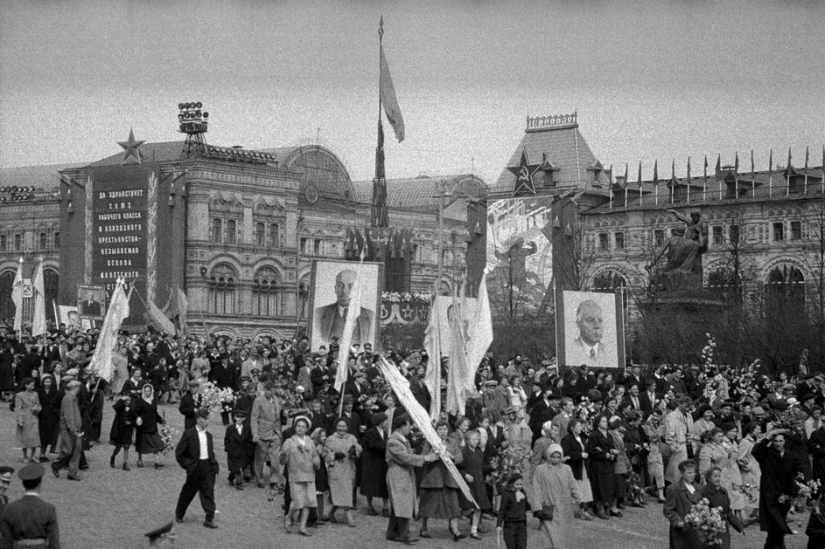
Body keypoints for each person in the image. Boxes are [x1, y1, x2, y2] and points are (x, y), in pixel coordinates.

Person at [752, 428, 809, 549]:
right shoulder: (766, 454)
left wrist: (800, 485)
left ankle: (771, 546)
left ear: (785, 442)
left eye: (780, 441)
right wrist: (767, 437)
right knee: (775, 522)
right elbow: (755, 451)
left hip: (785, 494)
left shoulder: (792, 456)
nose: (778, 443)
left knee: (778, 523)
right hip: (770, 494)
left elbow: (800, 472)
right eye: (775, 441)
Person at [385, 414, 437, 543]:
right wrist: (425, 458)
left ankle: (392, 532)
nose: (411, 427)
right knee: (402, 504)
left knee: (399, 503)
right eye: (409, 425)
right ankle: (405, 534)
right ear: (403, 426)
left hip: (403, 473)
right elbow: (404, 457)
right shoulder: (393, 441)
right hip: (398, 474)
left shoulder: (401, 439)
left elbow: (406, 456)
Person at [418, 420, 465, 541]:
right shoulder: (430, 442)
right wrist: (433, 454)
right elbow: (423, 456)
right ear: (435, 430)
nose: (443, 432)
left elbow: (460, 457)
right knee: (428, 504)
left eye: (445, 429)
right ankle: (424, 528)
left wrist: (452, 457)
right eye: (440, 429)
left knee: (453, 505)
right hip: (433, 477)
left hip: (449, 478)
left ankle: (455, 530)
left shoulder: (453, 442)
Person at [175, 408, 219, 529]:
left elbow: (210, 452)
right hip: (195, 467)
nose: (208, 421)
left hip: (207, 467)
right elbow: (179, 453)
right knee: (188, 492)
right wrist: (188, 466)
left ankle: (209, 518)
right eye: (206, 419)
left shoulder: (209, 436)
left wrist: (214, 465)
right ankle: (179, 514)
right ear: (199, 419)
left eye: (209, 419)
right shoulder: (189, 433)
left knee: (208, 492)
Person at [531, 443, 580, 549]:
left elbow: (573, 484)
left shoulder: (566, 469)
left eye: (558, 457)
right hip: (549, 509)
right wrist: (537, 508)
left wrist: (581, 500)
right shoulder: (540, 470)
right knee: (551, 537)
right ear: (548, 456)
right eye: (553, 457)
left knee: (565, 536)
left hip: (565, 509)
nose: (555, 460)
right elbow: (536, 489)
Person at [0, 463, 60, 549]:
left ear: (23, 485)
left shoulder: (10, 508)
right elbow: (54, 543)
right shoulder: (49, 509)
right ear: (39, 485)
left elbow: (6, 543)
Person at [280, 416, 320, 536]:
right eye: (298, 426)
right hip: (295, 475)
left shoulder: (310, 441)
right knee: (297, 502)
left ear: (307, 429)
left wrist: (316, 461)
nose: (300, 428)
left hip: (309, 475)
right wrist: (283, 456)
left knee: (308, 502)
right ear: (294, 427)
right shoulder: (289, 442)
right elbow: (283, 460)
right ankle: (289, 516)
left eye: (303, 426)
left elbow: (315, 455)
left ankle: (302, 527)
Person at [314, 269, 375, 347]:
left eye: (351, 286)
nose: (345, 291)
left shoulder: (370, 316)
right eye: (340, 285)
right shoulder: (319, 314)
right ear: (335, 289)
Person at [324, 417, 362, 527]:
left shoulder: (352, 438)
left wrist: (354, 451)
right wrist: (333, 456)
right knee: (338, 492)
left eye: (344, 426)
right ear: (336, 427)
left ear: (347, 427)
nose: (341, 428)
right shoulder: (330, 439)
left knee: (346, 491)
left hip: (348, 468)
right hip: (336, 468)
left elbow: (359, 448)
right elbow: (324, 453)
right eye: (339, 426)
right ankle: (348, 514)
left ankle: (331, 512)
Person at [251, 382, 284, 500]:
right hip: (263, 432)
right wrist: (255, 433)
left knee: (275, 457)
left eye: (272, 389)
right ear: (264, 389)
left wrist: (280, 432)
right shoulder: (258, 400)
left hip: (276, 431)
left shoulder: (277, 400)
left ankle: (274, 479)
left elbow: (280, 416)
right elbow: (254, 417)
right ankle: (259, 477)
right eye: (267, 389)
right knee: (260, 456)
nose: (270, 392)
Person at [662, 459, 703, 549]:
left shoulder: (698, 488)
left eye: (693, 472)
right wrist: (679, 522)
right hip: (682, 532)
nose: (692, 475)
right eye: (689, 473)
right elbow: (668, 510)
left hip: (697, 530)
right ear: (682, 473)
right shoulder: (674, 489)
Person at [700, 467, 744, 549]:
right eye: (715, 476)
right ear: (709, 478)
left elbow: (728, 512)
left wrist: (738, 525)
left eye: (719, 476)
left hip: (723, 529)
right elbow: (702, 512)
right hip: (710, 529)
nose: (718, 479)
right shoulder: (704, 492)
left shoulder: (723, 491)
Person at [51, 380, 83, 481]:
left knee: (76, 451)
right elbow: (69, 416)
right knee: (69, 450)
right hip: (69, 429)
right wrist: (74, 430)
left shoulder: (73, 398)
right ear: (75, 388)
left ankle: (72, 473)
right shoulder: (68, 399)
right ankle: (56, 465)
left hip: (74, 428)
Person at [359, 412, 390, 516]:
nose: (386, 422)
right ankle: (370, 506)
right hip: (371, 461)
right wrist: (386, 444)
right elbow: (372, 444)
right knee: (370, 485)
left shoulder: (384, 432)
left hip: (381, 460)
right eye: (385, 421)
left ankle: (385, 507)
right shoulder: (371, 432)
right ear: (381, 421)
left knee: (384, 484)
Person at [566, 300, 609, 367]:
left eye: (600, 320)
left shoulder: (607, 351)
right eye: (590, 320)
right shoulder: (570, 350)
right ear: (579, 324)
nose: (597, 326)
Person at [133, 384, 166, 469]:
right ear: (143, 391)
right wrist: (138, 418)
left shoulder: (154, 400)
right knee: (141, 443)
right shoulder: (139, 401)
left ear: (151, 391)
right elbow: (135, 412)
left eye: (149, 391)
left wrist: (161, 420)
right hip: (143, 426)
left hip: (152, 425)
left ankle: (157, 461)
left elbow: (155, 413)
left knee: (156, 443)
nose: (147, 392)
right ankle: (139, 460)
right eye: (146, 391)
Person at [497, 474, 529, 549]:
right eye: (517, 484)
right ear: (512, 484)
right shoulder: (506, 493)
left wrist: (525, 499)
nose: (519, 486)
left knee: (522, 545)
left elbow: (527, 507)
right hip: (510, 524)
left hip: (521, 523)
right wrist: (499, 524)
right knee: (511, 545)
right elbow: (502, 510)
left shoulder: (523, 492)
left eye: (521, 484)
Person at [224, 409, 253, 490]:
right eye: (238, 417)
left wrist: (250, 448)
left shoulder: (247, 428)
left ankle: (230, 478)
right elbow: (226, 439)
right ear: (235, 418)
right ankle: (239, 483)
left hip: (244, 451)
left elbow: (249, 439)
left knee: (240, 466)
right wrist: (228, 448)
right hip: (234, 451)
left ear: (244, 419)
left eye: (241, 418)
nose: (239, 419)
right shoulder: (230, 428)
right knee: (237, 468)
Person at [14, 378, 42, 463]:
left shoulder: (35, 394)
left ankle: (33, 455)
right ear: (26, 385)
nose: (33, 387)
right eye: (31, 385)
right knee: (24, 437)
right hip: (25, 416)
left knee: (34, 436)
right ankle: (25, 455)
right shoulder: (19, 395)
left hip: (33, 417)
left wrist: (36, 409)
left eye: (33, 385)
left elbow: (39, 405)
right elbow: (18, 408)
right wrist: (19, 420)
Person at [36, 374, 61, 463]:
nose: (48, 383)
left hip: (52, 416)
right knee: (43, 436)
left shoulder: (55, 391)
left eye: (49, 382)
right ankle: (42, 453)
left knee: (51, 436)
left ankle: (48, 452)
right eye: (46, 382)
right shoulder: (38, 391)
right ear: (43, 382)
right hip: (42, 416)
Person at [109, 392, 135, 471]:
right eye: (126, 400)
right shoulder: (120, 408)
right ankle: (113, 456)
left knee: (126, 447)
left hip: (127, 430)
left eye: (129, 401)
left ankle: (125, 463)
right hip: (120, 430)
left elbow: (134, 417)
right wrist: (121, 400)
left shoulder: (131, 408)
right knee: (118, 448)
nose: (128, 402)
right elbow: (115, 406)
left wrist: (131, 422)